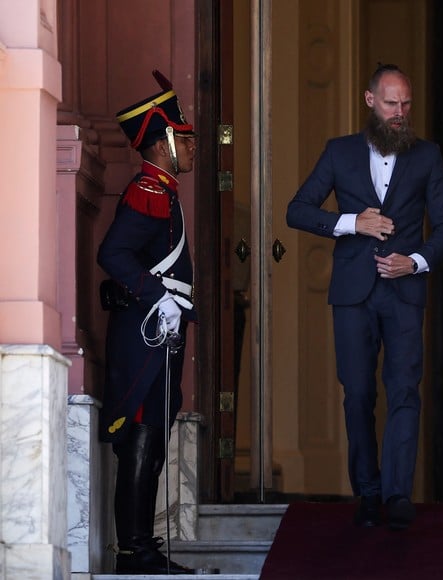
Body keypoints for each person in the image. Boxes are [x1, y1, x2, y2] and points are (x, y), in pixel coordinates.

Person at [285, 64, 443, 530]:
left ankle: (399, 496)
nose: (400, 113)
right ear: (369, 101)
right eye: (390, 104)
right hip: (352, 294)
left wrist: (416, 261)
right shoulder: (338, 152)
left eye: (405, 104)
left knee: (404, 392)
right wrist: (351, 223)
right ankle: (368, 491)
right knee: (358, 394)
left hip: (404, 291)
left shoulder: (427, 156)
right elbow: (297, 210)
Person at [97, 70, 197, 574]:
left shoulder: (165, 190)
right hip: (145, 333)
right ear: (164, 144)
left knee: (153, 437)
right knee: (141, 435)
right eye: (186, 137)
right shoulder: (149, 191)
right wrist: (158, 295)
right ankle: (134, 552)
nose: (193, 145)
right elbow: (113, 253)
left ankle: (141, 547)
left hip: (160, 331)